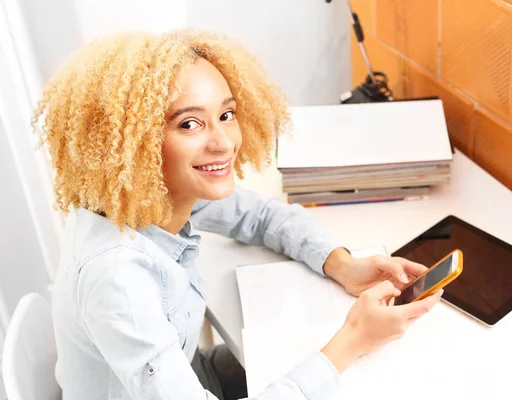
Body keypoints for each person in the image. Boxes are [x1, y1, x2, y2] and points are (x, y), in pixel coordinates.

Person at [34, 29, 443, 400]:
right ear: (136, 145)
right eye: (190, 123)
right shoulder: (117, 279)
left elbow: (261, 217)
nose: (223, 142)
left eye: (226, 115)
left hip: (190, 373)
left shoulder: (154, 194)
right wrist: (354, 338)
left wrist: (342, 264)